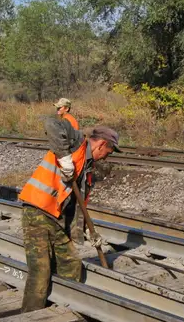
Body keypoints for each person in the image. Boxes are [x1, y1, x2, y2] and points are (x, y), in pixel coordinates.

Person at [18, 119, 120, 312]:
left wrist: (88, 233)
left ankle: (62, 306)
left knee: (71, 263)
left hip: (56, 218)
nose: (108, 156)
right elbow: (52, 124)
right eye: (110, 151)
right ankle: (30, 314)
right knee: (41, 269)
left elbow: (75, 204)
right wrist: (65, 158)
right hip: (37, 209)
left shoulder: (88, 168)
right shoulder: (76, 143)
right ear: (101, 144)